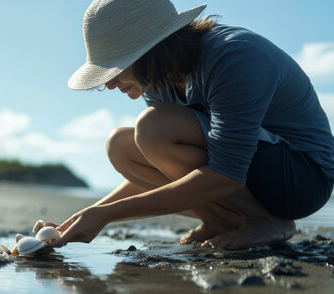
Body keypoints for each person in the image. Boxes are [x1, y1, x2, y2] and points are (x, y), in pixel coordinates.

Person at [52, 0, 334, 249]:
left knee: (153, 128)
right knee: (122, 146)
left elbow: (228, 173)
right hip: (247, 171)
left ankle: (267, 222)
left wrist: (109, 215)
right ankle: (222, 220)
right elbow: (162, 164)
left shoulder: (235, 56)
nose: (110, 83)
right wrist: (84, 217)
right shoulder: (158, 77)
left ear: (150, 50)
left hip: (303, 177)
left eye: (116, 68)